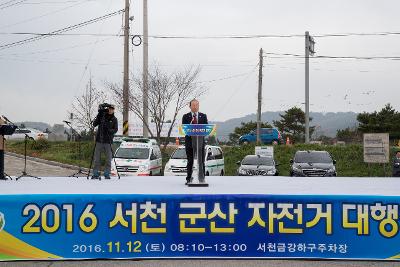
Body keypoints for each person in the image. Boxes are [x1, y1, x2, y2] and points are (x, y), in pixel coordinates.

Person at [182, 99, 208, 185]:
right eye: (193, 105)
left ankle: (202, 178)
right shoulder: (186, 116)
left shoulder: (203, 116)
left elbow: (206, 129)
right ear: (190, 106)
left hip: (200, 142)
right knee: (190, 161)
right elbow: (184, 129)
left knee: (201, 161)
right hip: (190, 142)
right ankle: (189, 178)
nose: (195, 106)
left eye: (197, 105)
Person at [92, 104, 118, 179]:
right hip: (99, 140)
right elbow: (94, 124)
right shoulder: (102, 116)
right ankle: (96, 173)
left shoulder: (114, 119)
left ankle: (107, 173)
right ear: (107, 109)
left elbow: (115, 130)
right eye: (109, 108)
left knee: (108, 159)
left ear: (113, 110)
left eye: (112, 109)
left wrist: (109, 130)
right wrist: (99, 115)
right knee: (97, 159)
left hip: (108, 141)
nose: (110, 110)